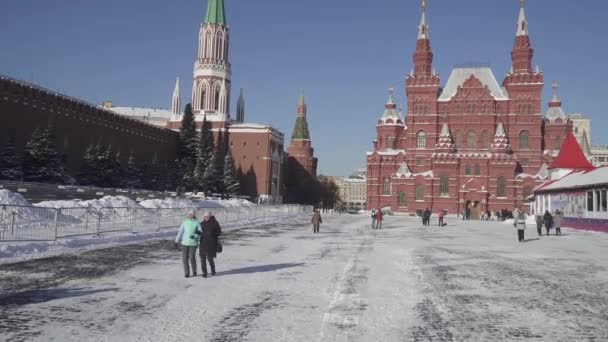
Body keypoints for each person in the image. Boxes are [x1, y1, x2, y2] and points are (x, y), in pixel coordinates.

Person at [175, 210, 202, 278]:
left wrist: (195, 236)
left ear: (194, 215)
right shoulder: (185, 222)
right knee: (184, 259)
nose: (190, 215)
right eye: (189, 214)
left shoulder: (197, 222)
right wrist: (176, 241)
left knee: (192, 258)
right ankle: (187, 273)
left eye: (191, 214)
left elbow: (200, 232)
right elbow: (180, 232)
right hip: (184, 243)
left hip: (193, 244)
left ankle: (194, 271)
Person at [197, 211, 222, 278]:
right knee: (202, 259)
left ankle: (213, 270)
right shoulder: (202, 223)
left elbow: (219, 232)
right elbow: (199, 232)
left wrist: (213, 234)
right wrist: (197, 232)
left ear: (210, 216)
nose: (206, 217)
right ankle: (204, 273)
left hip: (211, 243)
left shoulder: (215, 223)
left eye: (207, 216)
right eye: (204, 216)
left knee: (210, 259)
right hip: (203, 243)